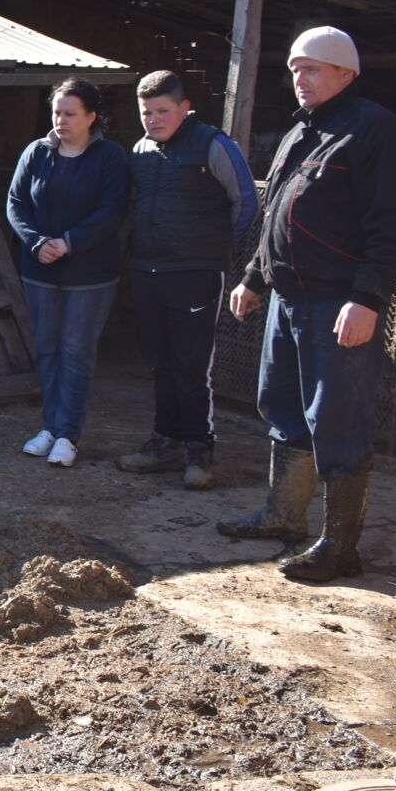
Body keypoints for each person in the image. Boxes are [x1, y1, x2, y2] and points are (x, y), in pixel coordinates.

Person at [217, 27, 396, 583]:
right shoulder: (301, 131)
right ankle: (284, 515)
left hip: (338, 302)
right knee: (279, 403)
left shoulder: (374, 130)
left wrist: (367, 297)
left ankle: (340, 547)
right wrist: (254, 277)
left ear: (346, 74)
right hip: (288, 298)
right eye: (295, 69)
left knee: (336, 418)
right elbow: (276, 213)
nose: (299, 78)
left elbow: (391, 225)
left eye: (312, 69)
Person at [117, 71, 259, 489]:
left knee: (192, 365)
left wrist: (212, 247)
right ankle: (165, 441)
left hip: (195, 273)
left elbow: (246, 203)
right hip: (147, 270)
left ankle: (199, 448)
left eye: (163, 111)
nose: (153, 119)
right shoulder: (141, 150)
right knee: (160, 363)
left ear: (185, 108)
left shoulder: (214, 145)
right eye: (146, 112)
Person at [6, 77, 130, 468]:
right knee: (46, 348)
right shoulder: (36, 152)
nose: (61, 120)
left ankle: (67, 435)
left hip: (89, 274)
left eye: (70, 114)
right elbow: (16, 202)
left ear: (91, 117)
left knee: (76, 351)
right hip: (40, 269)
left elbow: (112, 210)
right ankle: (50, 426)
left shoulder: (110, 157)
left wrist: (70, 242)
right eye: (57, 112)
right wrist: (36, 242)